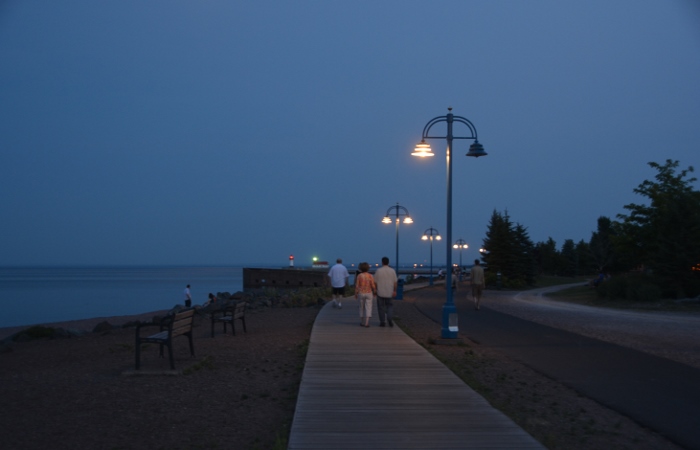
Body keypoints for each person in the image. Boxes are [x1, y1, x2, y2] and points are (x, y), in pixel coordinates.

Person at [374, 256, 398, 327]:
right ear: (388, 262)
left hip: (380, 291)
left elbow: (375, 282)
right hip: (390, 291)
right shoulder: (392, 271)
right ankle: (389, 318)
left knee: (380, 307)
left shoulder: (378, 271)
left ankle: (382, 321)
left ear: (382, 262)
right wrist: (394, 290)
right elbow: (395, 282)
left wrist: (375, 289)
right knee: (389, 306)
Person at [354, 262, 376, 327]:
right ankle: (367, 322)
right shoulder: (370, 276)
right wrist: (374, 291)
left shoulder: (359, 276)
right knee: (368, 307)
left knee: (361, 307)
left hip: (361, 293)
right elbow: (373, 285)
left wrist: (356, 293)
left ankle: (362, 321)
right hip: (369, 293)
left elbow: (357, 285)